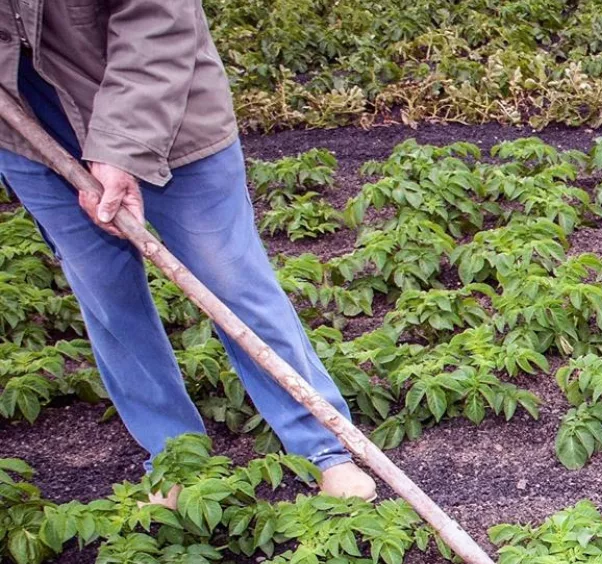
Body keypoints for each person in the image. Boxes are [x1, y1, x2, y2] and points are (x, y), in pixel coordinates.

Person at [0, 0, 377, 502]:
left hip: (165, 110)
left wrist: (120, 150)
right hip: (29, 129)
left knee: (230, 279)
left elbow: (158, 21)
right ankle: (174, 456)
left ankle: (323, 447)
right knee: (106, 295)